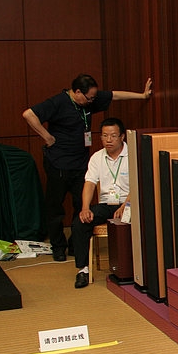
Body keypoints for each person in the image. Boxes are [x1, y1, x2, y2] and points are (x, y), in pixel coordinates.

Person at [22, 73, 152, 262]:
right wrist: (47, 137)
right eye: (89, 98)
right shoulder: (58, 102)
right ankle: (58, 247)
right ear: (77, 92)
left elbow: (114, 95)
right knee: (55, 208)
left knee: (81, 206)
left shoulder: (89, 100)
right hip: (58, 163)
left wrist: (142, 95)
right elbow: (28, 114)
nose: (92, 101)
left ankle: (75, 245)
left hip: (81, 162)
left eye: (93, 98)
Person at [71, 117, 130, 288]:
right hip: (106, 204)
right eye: (105, 136)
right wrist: (85, 208)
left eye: (113, 136)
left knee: (131, 218)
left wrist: (125, 206)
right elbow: (89, 183)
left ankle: (129, 268)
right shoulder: (97, 157)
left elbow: (138, 184)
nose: (108, 140)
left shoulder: (132, 154)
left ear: (122, 137)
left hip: (129, 203)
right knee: (80, 222)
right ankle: (83, 270)